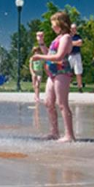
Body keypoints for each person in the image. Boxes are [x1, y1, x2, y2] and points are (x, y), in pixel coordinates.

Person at [31, 12, 77, 142]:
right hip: (53, 73)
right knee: (48, 103)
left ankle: (69, 135)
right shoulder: (57, 38)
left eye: (53, 24)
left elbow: (59, 57)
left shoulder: (66, 38)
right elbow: (49, 53)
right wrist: (41, 43)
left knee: (62, 103)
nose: (52, 27)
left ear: (60, 23)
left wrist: (39, 57)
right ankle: (54, 132)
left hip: (62, 72)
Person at [68, 24, 85, 92]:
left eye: (75, 28)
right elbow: (67, 43)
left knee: (78, 72)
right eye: (72, 28)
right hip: (69, 55)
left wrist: (72, 43)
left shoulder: (78, 36)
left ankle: (79, 87)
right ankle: (67, 87)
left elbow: (80, 43)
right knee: (67, 71)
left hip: (77, 55)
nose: (74, 30)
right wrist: (75, 43)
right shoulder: (68, 36)